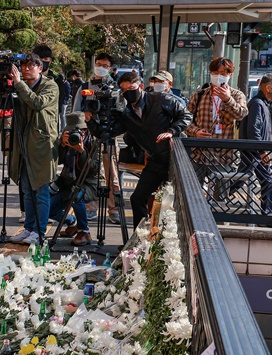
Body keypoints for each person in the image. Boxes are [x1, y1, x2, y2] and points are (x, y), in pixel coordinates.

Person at [88, 71, 191, 229]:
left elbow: (186, 116)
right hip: (156, 160)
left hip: (176, 159)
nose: (127, 92)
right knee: (137, 199)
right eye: (123, 90)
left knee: (176, 204)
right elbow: (105, 133)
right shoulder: (126, 113)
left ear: (141, 87)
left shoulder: (161, 99)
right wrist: (89, 119)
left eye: (131, 88)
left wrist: (171, 131)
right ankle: (139, 241)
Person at [0, 53, 59, 244]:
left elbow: (37, 103)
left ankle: (39, 231)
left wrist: (19, 84)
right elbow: (0, 104)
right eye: (23, 66)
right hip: (21, 143)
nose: (26, 69)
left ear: (40, 68)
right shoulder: (18, 84)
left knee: (41, 190)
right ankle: (29, 229)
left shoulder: (50, 85)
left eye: (31, 66)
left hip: (41, 145)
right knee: (26, 191)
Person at [71, 52, 121, 225]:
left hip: (108, 135)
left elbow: (121, 112)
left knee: (111, 174)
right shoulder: (85, 86)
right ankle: (91, 207)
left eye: (105, 65)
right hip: (89, 135)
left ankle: (113, 209)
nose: (101, 67)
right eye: (98, 64)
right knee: (90, 172)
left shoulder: (116, 88)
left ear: (111, 68)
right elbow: (76, 111)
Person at [185, 57, 248, 177]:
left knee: (221, 195)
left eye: (223, 73)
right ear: (210, 73)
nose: (218, 76)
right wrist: (195, 132)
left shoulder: (237, 95)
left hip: (225, 156)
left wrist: (228, 100)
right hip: (199, 155)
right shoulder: (199, 95)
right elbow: (185, 120)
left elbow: (241, 114)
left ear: (230, 75)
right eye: (215, 73)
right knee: (192, 193)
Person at [50, 113, 99, 246]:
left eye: (79, 131)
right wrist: (62, 146)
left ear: (86, 130)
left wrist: (81, 151)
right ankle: (72, 223)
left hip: (89, 184)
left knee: (76, 195)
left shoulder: (94, 141)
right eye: (71, 131)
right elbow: (57, 162)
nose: (76, 135)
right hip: (68, 183)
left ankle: (84, 232)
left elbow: (93, 169)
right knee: (47, 207)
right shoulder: (65, 141)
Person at [237, 74, 272, 216]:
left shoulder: (263, 104)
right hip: (255, 153)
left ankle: (267, 214)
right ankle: (267, 215)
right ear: (268, 87)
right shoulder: (257, 103)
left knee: (242, 179)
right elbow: (253, 129)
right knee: (265, 181)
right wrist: (263, 151)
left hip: (258, 153)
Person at [33, 44, 69, 132]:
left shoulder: (57, 81)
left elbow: (59, 105)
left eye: (45, 59)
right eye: (39, 59)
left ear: (50, 60)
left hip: (49, 124)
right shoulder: (27, 80)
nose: (42, 62)